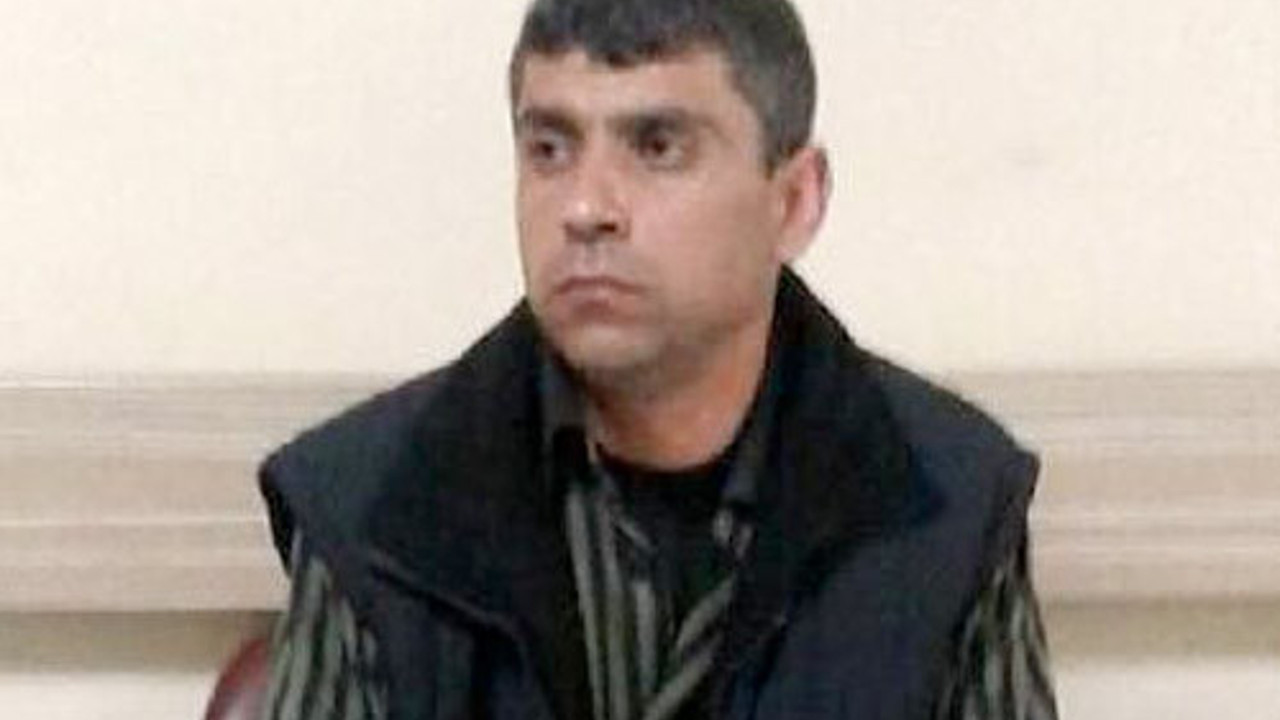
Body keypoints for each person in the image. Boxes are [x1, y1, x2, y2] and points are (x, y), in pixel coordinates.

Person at [257, 0, 1059, 718]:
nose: (585, 208)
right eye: (549, 148)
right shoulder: (373, 505)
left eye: (658, 146)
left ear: (794, 201)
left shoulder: (946, 501)